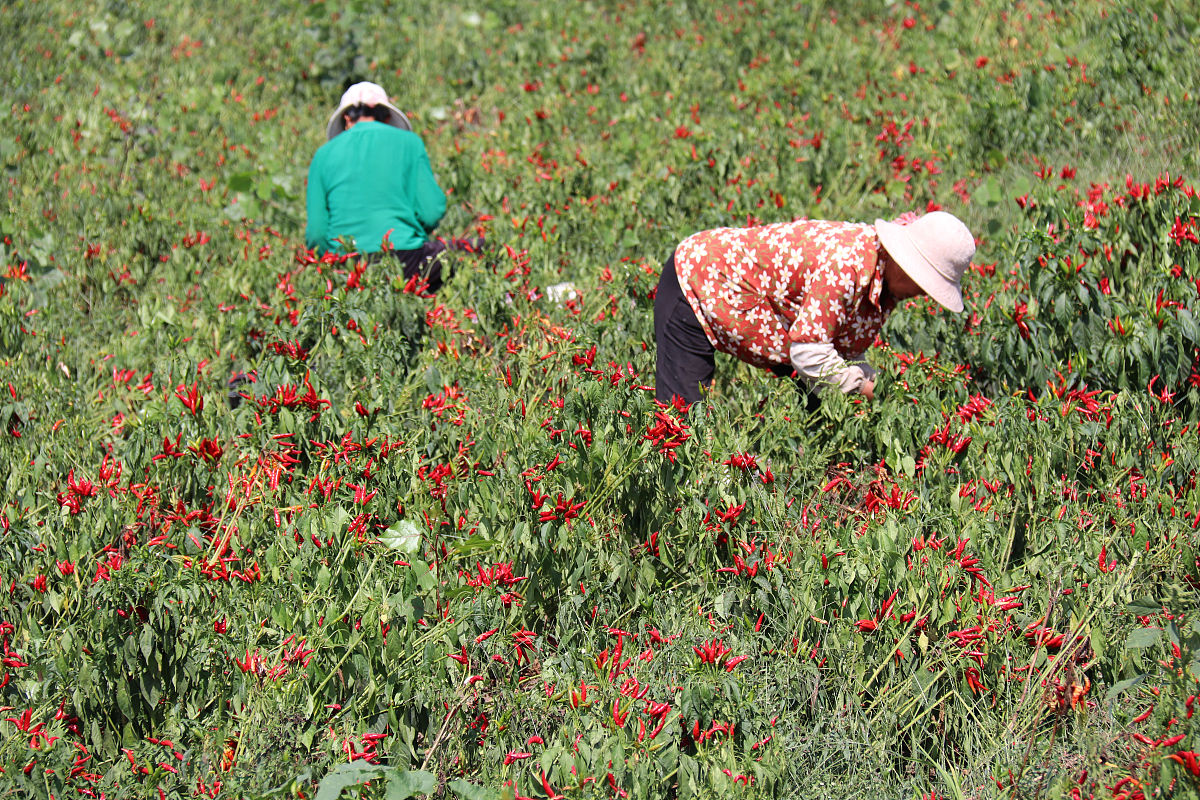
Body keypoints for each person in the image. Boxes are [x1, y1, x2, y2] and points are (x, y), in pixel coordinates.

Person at [654, 211, 976, 406]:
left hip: (778, 321)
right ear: (905, 266)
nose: (921, 293)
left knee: (820, 412)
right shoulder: (847, 266)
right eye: (922, 284)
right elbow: (809, 352)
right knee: (681, 424)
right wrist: (866, 388)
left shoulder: (882, 279)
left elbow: (839, 347)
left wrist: (880, 384)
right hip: (698, 280)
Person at [305, 81, 477, 292]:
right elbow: (432, 210)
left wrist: (335, 265)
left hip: (348, 268)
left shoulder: (323, 155)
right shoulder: (410, 143)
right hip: (405, 259)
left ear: (347, 119)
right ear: (386, 117)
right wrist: (409, 230)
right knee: (476, 250)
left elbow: (316, 233)